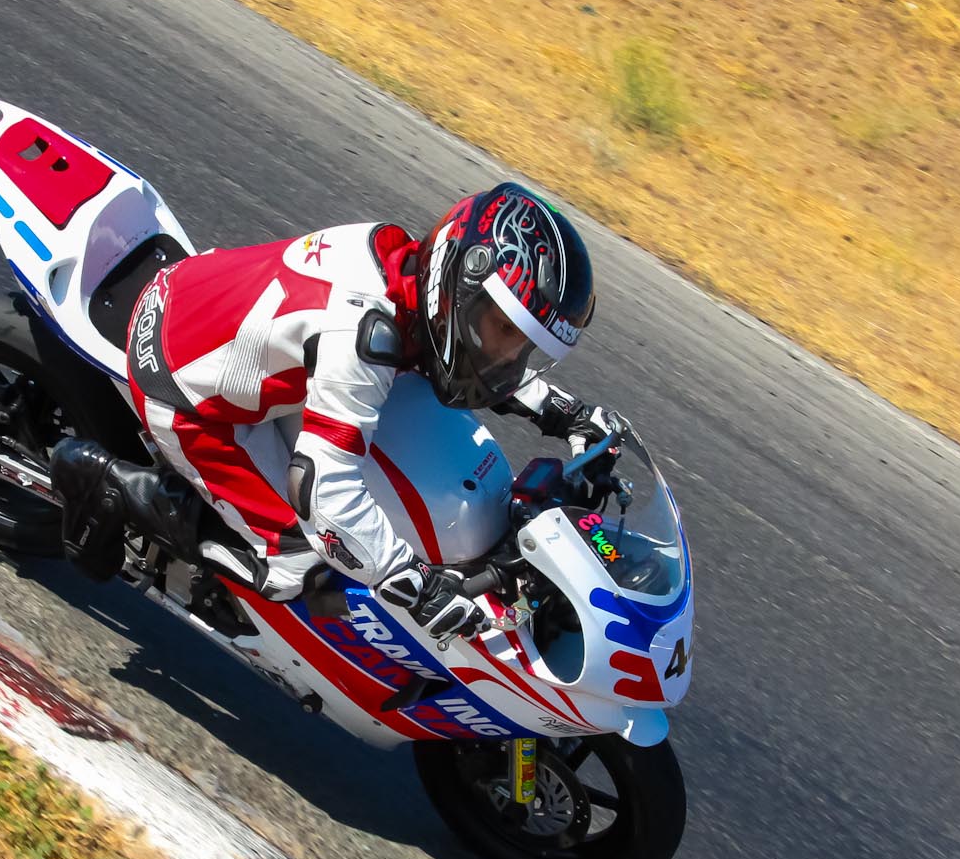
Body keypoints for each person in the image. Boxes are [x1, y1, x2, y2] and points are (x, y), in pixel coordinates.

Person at [53, 182, 596, 641]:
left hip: (214, 309)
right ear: (462, 283)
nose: (508, 356)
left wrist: (559, 410)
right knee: (296, 564)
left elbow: (451, 355)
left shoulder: (408, 266)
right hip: (187, 392)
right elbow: (324, 491)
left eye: (523, 346)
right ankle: (110, 486)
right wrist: (411, 582)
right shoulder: (362, 334)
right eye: (503, 331)